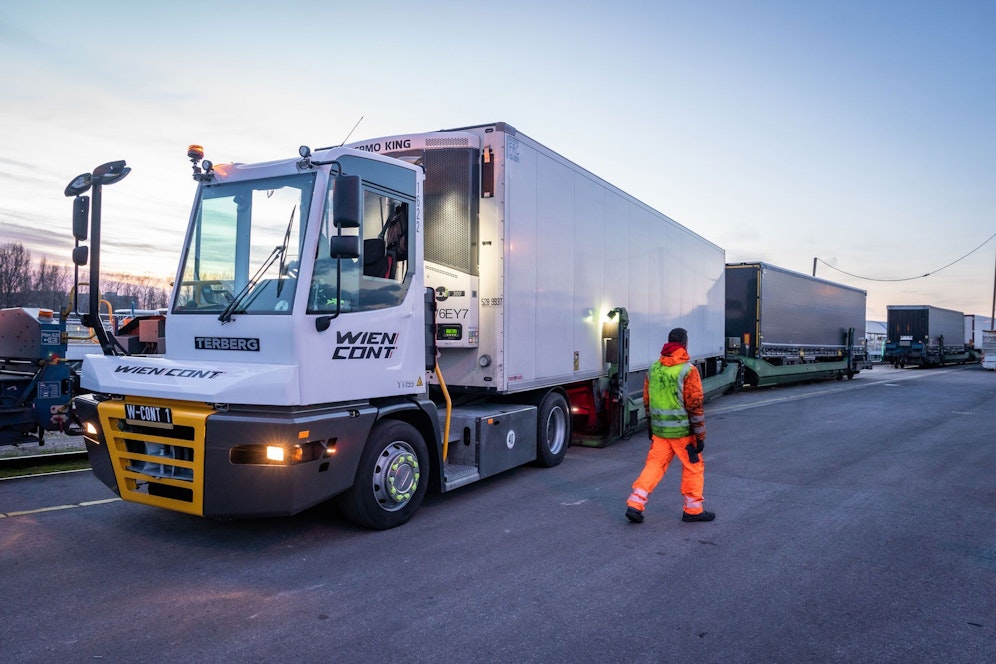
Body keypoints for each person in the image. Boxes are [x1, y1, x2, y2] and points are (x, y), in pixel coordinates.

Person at [625, 327, 715, 524]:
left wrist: (650, 426)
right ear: (685, 344)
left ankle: (635, 503)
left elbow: (647, 400)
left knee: (654, 465)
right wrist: (700, 436)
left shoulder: (653, 369)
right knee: (693, 467)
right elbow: (694, 405)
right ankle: (693, 510)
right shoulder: (688, 370)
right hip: (683, 433)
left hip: (660, 432)